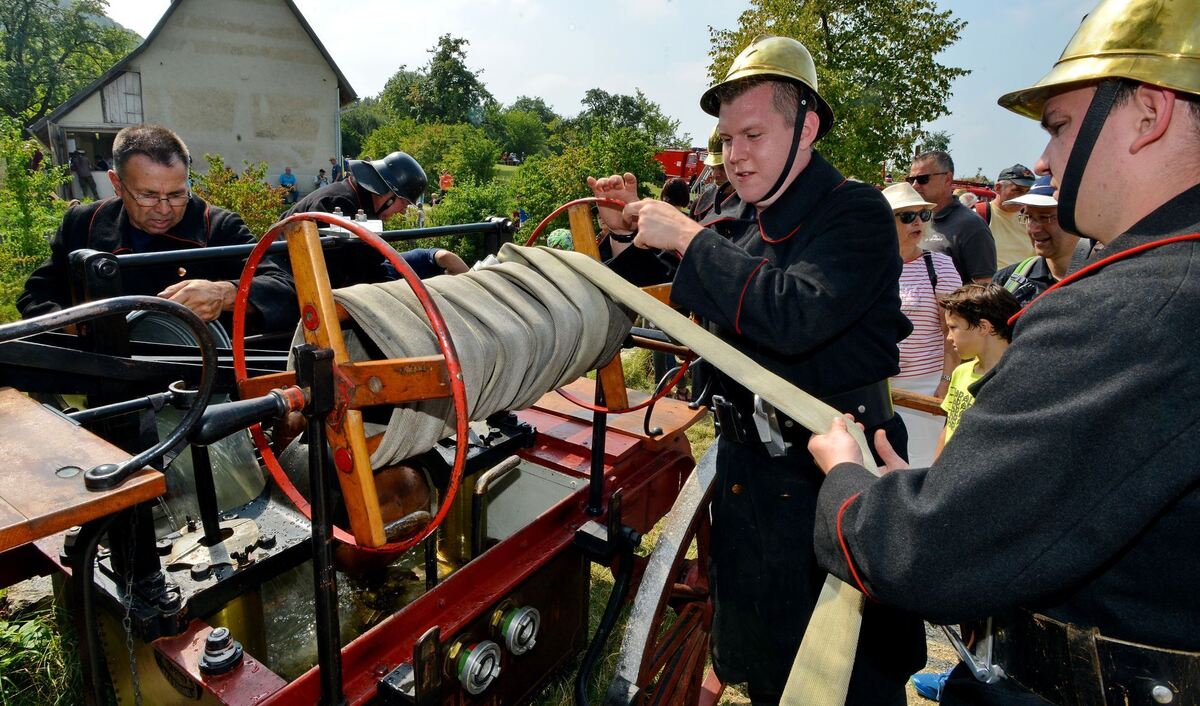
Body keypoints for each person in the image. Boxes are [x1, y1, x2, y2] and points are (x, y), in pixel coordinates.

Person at [806, 1, 1200, 704]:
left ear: (1151, 112)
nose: (1044, 161)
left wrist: (846, 482)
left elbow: (928, 554)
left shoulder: (1129, 309)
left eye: (1058, 126)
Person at [589, 35, 921, 705]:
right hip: (752, 482)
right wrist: (626, 238)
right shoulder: (742, 218)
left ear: (807, 127)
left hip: (830, 482)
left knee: (844, 680)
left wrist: (686, 235)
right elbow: (679, 284)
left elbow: (792, 313)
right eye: (725, 140)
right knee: (773, 672)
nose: (733, 156)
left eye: (751, 135)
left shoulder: (854, 213)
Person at [18, 124, 296, 333]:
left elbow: (284, 289)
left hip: (198, 380)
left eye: (176, 194)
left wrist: (224, 293)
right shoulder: (83, 223)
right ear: (117, 184)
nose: (163, 209)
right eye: (148, 195)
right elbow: (36, 295)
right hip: (107, 385)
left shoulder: (219, 227)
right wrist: (76, 328)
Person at [884, 182, 961, 468]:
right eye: (906, 216)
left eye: (922, 215)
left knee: (920, 466)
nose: (917, 222)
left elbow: (952, 333)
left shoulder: (939, 266)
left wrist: (945, 381)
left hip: (925, 388)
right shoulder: (871, 266)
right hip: (880, 388)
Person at [285, 151, 427, 287]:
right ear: (389, 194)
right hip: (285, 276)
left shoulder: (365, 208)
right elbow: (336, 274)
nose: (402, 212)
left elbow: (371, 267)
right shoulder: (335, 203)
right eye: (404, 203)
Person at [908, 150, 996, 283]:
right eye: (911, 180)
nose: (915, 185)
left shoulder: (971, 225)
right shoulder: (909, 220)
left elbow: (984, 286)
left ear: (947, 179)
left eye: (922, 179)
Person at [992, 174, 1079, 305]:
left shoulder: (1107, 277)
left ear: (1075, 217)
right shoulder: (1008, 280)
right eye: (1028, 217)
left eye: (1044, 217)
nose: (1034, 229)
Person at [974, 164, 1037, 268]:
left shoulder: (1031, 219)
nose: (1024, 197)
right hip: (990, 283)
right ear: (998, 188)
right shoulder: (978, 214)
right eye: (1018, 190)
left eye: (1028, 192)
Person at [691, 126, 735, 221]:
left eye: (722, 168)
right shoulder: (699, 206)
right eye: (712, 168)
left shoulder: (755, 209)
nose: (715, 175)